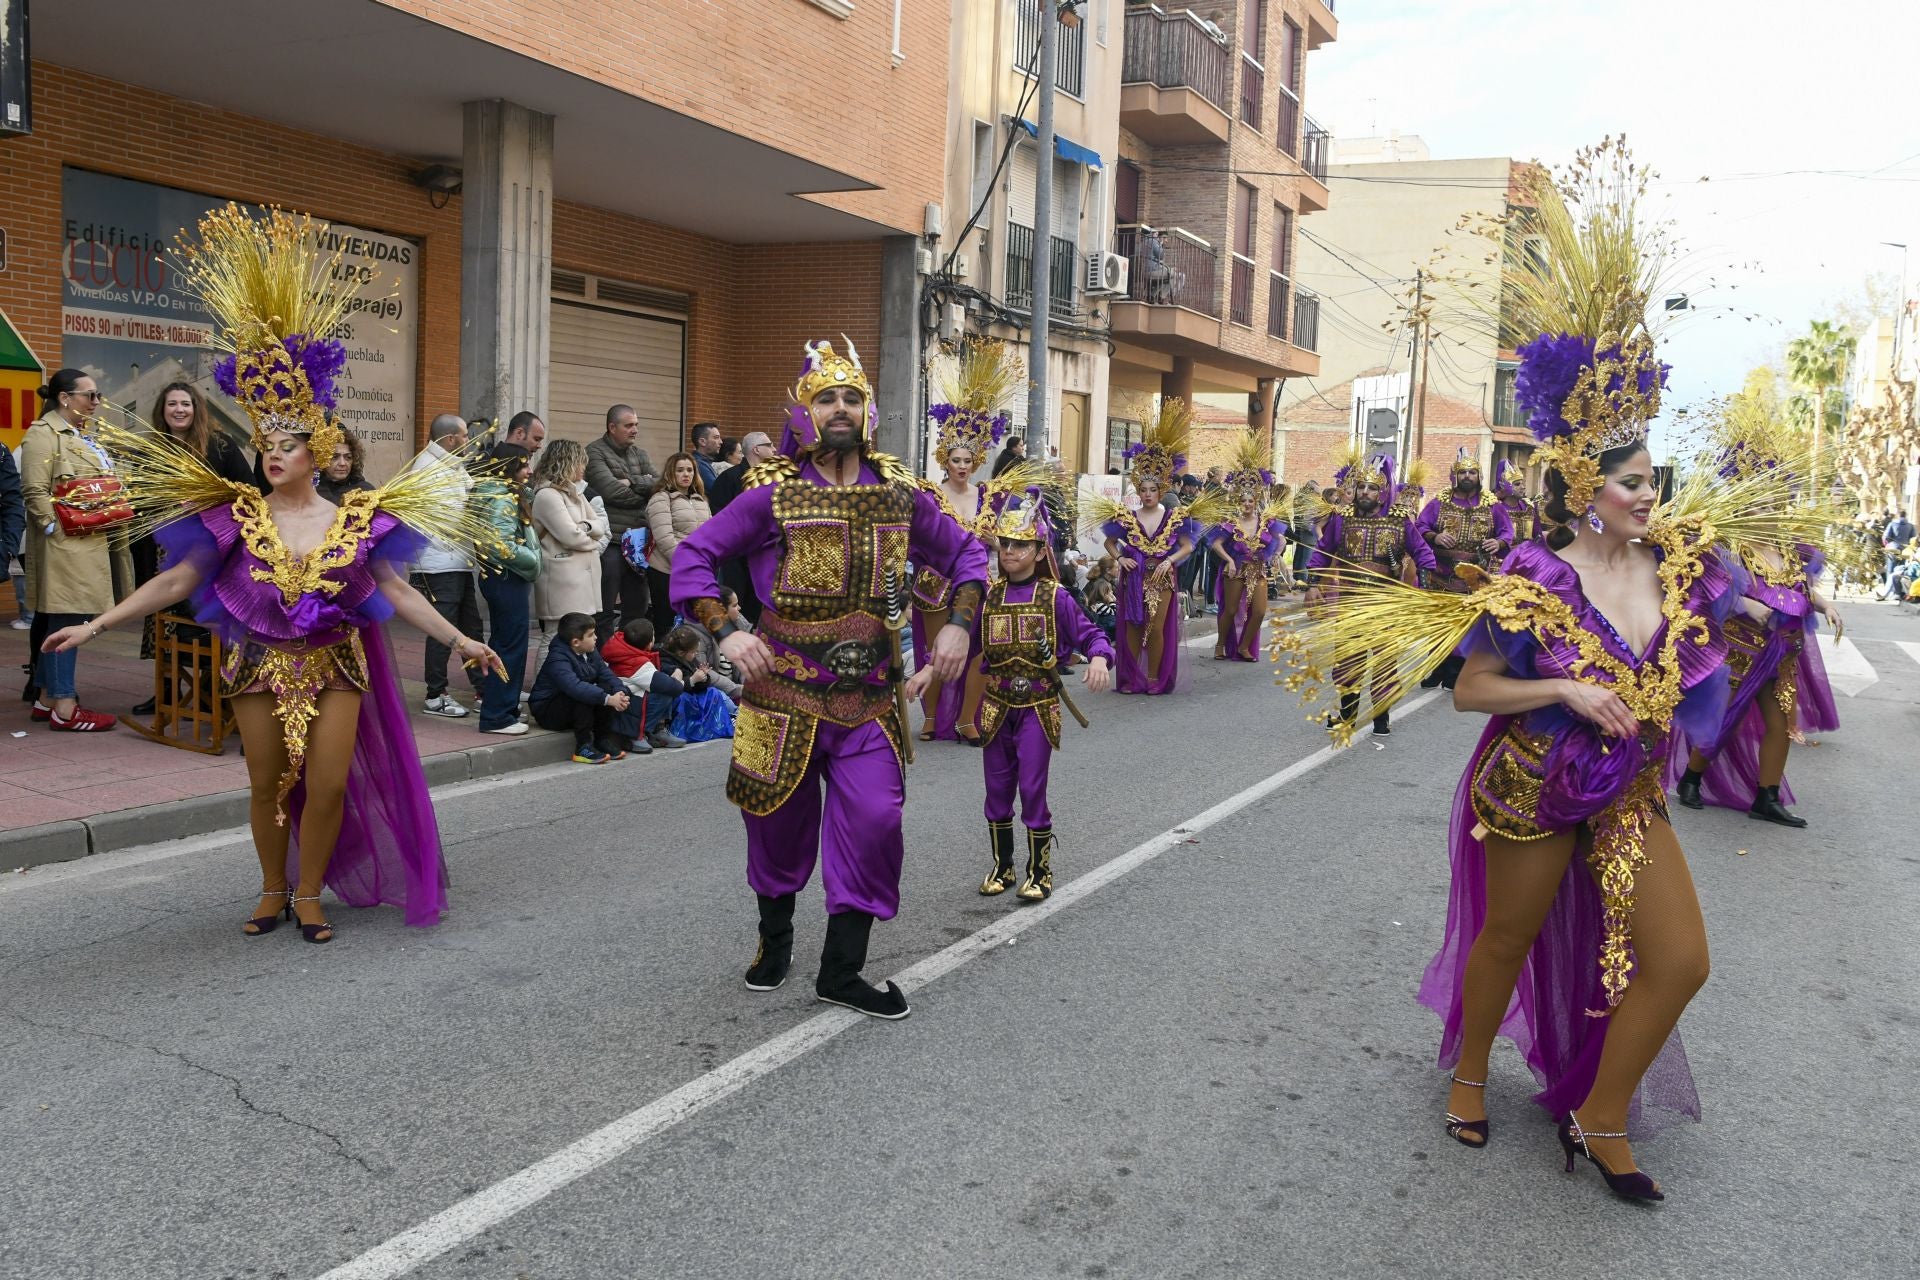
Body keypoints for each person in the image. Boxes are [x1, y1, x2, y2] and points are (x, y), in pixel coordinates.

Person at [1275, 150, 1815, 1201]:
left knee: (1684, 957)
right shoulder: (1535, 576)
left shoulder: (1681, 566)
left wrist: (1782, 604)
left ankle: (1599, 1109)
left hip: (1630, 790)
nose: (1645, 493)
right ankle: (1470, 1070)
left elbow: (1750, 608)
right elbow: (1471, 689)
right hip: (1532, 780)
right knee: (1509, 935)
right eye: (1627, 481)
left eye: (1650, 476)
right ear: (1584, 486)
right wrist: (1564, 689)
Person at [46, 203, 503, 940]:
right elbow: (177, 582)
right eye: (267, 443)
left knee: (324, 786)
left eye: (289, 443)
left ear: (317, 451)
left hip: (335, 664)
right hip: (256, 661)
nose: (274, 454)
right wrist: (94, 624)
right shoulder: (234, 513)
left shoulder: (359, 517)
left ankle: (312, 890)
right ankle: (270, 887)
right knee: (266, 784)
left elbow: (394, 589)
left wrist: (464, 642)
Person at [671, 337, 989, 1020]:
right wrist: (729, 631)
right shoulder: (771, 495)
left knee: (876, 822)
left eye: (852, 397)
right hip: (781, 694)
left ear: (868, 413)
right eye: (826, 398)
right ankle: (774, 938)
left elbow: (968, 553)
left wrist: (960, 621)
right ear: (805, 413)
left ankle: (841, 972)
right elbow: (695, 557)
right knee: (776, 831)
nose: (839, 408)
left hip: (868, 698)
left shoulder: (901, 495)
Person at [1674, 419, 1843, 825]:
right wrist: (1746, 606)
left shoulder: (1791, 548)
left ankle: (1766, 797)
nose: (1771, 509)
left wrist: (1826, 606)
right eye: (1763, 502)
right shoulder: (1729, 547)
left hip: (1784, 652)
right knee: (1725, 719)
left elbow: (1799, 589)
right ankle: (1692, 779)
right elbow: (1706, 589)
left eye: (1776, 501)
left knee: (1780, 722)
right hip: (1740, 650)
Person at [968, 475, 1113, 901]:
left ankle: (1040, 870)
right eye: (1005, 544)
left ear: (1037, 551)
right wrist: (929, 670)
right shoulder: (989, 597)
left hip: (1036, 706)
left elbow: (1092, 636)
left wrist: (1101, 658)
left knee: (1032, 787)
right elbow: (965, 648)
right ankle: (1003, 865)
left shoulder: (1056, 597)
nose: (1009, 552)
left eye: (1020, 545)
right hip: (995, 707)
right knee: (996, 791)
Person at [20, 368, 134, 732]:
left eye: (98, 395)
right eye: (90, 395)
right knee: (68, 619)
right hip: (66, 544)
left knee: (64, 617)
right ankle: (65, 707)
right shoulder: (43, 433)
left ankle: (46, 698)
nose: (96, 402)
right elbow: (34, 490)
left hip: (89, 541)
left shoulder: (84, 435)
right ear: (65, 398)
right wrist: (52, 527)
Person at [917, 338, 1013, 742]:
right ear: (945, 460)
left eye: (968, 460)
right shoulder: (927, 494)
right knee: (939, 649)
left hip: (981, 585)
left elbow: (1014, 539)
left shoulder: (992, 496)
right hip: (935, 584)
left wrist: (995, 541)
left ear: (976, 461)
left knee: (981, 652)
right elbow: (916, 539)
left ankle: (968, 717)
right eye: (955, 460)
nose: (961, 466)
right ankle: (931, 715)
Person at [1304, 450, 1437, 735]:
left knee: (1384, 660)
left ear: (1383, 491)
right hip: (1351, 601)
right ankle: (1348, 717)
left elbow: (1424, 554)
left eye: (1372, 488)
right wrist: (1314, 583)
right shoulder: (1342, 519)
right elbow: (1322, 552)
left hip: (1384, 604)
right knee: (1348, 657)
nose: (1365, 492)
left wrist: (1422, 592)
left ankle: (1381, 718)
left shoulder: (1399, 520)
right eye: (1361, 486)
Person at [1091, 398, 1217, 696]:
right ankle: (1132, 677)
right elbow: (1110, 542)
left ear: (1161, 489)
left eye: (1152, 489)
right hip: (1133, 578)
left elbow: (1188, 545)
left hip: (1161, 578)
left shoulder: (1175, 517)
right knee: (1133, 627)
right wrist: (1120, 559)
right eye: (1143, 489)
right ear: (1137, 490)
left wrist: (1168, 560)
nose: (1147, 494)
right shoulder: (1127, 516)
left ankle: (1153, 678)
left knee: (1157, 627)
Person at [1416, 448, 1515, 689]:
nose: (1468, 476)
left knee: (1466, 625)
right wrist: (1435, 536)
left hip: (1475, 575)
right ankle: (1436, 667)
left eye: (1472, 472)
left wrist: (1498, 542)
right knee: (1440, 623)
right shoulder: (1439, 501)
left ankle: (1455, 672)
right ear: (1455, 476)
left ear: (1479, 476)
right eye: (1463, 472)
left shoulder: (1492, 504)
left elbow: (1507, 532)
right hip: (1441, 574)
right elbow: (1419, 527)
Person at [407, 414, 481, 718]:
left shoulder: (452, 465)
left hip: (457, 560)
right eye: (465, 436)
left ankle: (483, 688)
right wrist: (478, 512)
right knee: (441, 631)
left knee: (471, 627)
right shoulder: (427, 469)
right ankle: (435, 694)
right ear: (450, 439)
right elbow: (447, 518)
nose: (469, 442)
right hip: (437, 563)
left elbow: (469, 495)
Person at [473, 442, 541, 736]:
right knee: (510, 646)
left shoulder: (499, 493)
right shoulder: (502, 498)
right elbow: (499, 545)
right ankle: (497, 716)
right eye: (524, 464)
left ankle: (505, 709)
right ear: (510, 467)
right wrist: (533, 560)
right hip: (507, 577)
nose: (529, 470)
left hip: (501, 577)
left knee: (505, 643)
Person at [1207, 432, 1289, 662]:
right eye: (1243, 501)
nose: (1247, 505)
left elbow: (1281, 539)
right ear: (1238, 502)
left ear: (1256, 501)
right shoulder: (1231, 523)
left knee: (1260, 611)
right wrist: (1230, 560)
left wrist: (1275, 555)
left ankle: (1244, 646)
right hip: (1236, 570)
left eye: (1250, 501)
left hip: (1258, 570)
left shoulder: (1266, 520)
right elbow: (1215, 543)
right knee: (1231, 610)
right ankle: (1221, 644)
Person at [528, 611, 642, 763]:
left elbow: (605, 673)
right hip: (548, 711)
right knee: (585, 693)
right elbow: (574, 687)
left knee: (605, 688)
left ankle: (601, 740)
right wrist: (608, 699)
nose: (596, 637)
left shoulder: (589, 650)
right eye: (591, 635)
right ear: (576, 642)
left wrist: (619, 692)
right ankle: (583, 746)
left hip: (571, 707)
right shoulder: (558, 658)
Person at [585, 404, 659, 634]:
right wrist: (643, 486)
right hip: (612, 543)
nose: (635, 430)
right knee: (604, 609)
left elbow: (659, 484)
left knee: (637, 606)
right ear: (612, 427)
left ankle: (630, 658)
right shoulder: (594, 452)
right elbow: (610, 492)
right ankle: (603, 658)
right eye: (629, 425)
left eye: (636, 424)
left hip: (638, 542)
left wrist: (630, 481)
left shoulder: (641, 453)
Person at [530, 439, 607, 641]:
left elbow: (600, 524)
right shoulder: (547, 494)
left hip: (581, 580)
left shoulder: (576, 493)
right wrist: (593, 541)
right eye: (580, 462)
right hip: (561, 580)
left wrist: (585, 527)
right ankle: (546, 674)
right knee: (555, 637)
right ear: (566, 462)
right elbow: (570, 536)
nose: (584, 468)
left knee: (578, 638)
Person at [644, 450, 712, 637]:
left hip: (696, 569)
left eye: (690, 470)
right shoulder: (661, 498)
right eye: (680, 470)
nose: (686, 474)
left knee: (693, 624)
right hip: (666, 570)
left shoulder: (701, 500)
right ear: (670, 473)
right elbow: (664, 538)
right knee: (666, 624)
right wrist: (686, 563)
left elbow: (710, 535)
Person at [599, 616, 687, 752]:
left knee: (661, 686)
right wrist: (679, 678)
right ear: (649, 643)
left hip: (621, 701)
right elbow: (672, 687)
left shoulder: (621, 646)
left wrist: (672, 671)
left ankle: (656, 731)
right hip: (627, 707)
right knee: (665, 693)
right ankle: (635, 735)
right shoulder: (637, 663)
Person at [661, 623, 737, 742]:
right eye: (693, 652)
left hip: (693, 692)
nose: (696, 654)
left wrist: (704, 677)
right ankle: (680, 731)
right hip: (679, 696)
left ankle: (723, 722)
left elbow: (701, 686)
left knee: (713, 692)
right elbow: (673, 687)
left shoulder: (690, 659)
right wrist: (692, 680)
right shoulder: (666, 661)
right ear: (682, 653)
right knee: (683, 698)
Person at [708, 430, 773, 514]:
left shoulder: (769, 478)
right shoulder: (729, 477)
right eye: (769, 445)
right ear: (756, 449)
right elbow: (719, 511)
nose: (774, 449)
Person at [316, 427, 375, 505]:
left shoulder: (366, 491)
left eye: (348, 457)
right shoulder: (311, 491)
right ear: (321, 459)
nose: (342, 463)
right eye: (335, 457)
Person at [1493, 458, 1539, 545]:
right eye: (1517, 484)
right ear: (1506, 487)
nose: (1523, 487)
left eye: (1522, 483)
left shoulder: (1528, 507)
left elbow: (1537, 535)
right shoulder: (1496, 508)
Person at [691, 420, 725, 492]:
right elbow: (719, 491)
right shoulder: (698, 464)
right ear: (702, 442)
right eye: (716, 437)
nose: (721, 442)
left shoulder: (705, 462)